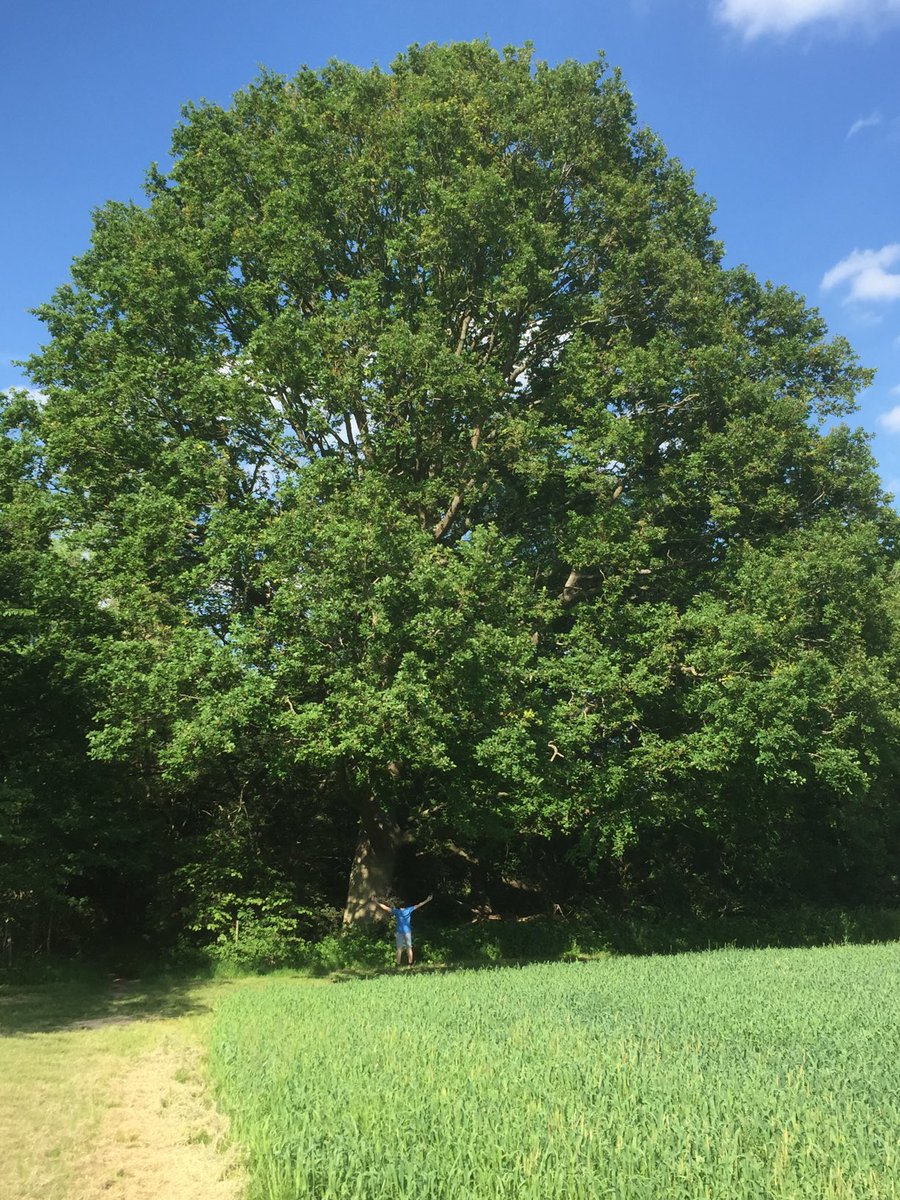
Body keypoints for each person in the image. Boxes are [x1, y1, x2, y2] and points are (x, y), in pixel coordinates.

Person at [372, 893, 433, 966]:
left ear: (399, 906)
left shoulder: (397, 911)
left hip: (399, 932)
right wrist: (427, 900)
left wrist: (376, 902)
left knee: (399, 949)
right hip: (407, 932)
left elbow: (386, 908)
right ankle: (410, 964)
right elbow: (419, 905)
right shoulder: (408, 910)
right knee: (409, 948)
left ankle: (398, 964)